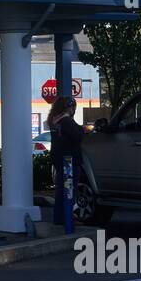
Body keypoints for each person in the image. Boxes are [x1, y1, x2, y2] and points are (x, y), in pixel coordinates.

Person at [49, 95, 84, 226]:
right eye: (73, 107)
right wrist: (82, 129)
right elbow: (78, 135)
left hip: (59, 159)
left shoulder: (54, 120)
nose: (73, 109)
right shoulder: (66, 121)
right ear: (69, 107)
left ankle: (59, 218)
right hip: (69, 161)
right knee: (69, 191)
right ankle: (67, 219)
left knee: (61, 190)